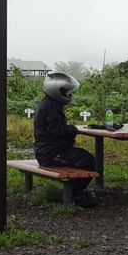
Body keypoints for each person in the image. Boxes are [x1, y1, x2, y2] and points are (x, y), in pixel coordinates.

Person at [34, 72, 98, 207]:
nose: (68, 95)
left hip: (48, 152)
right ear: (56, 91)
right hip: (50, 154)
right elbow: (57, 131)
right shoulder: (51, 108)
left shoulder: (49, 104)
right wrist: (72, 130)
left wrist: (70, 130)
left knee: (85, 158)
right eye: (65, 91)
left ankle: (75, 193)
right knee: (87, 161)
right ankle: (75, 196)